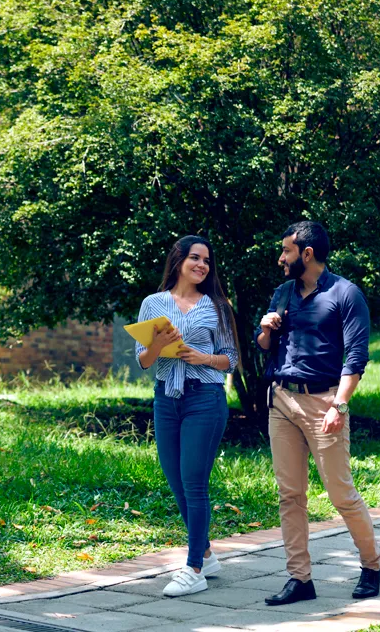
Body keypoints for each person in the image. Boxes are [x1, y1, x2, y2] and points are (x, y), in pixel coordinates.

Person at [257, 221, 380, 606]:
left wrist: (340, 405)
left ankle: (372, 565)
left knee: (340, 492)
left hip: (324, 401)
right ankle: (300, 579)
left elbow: (356, 357)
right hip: (282, 401)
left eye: (287, 252)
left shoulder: (346, 294)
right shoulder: (283, 293)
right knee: (289, 495)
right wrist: (265, 329)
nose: (281, 259)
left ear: (306, 254)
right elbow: (265, 345)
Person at [135, 235, 240, 597]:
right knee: (176, 480)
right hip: (166, 398)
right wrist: (159, 346)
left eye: (207, 261)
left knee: (194, 482)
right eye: (195, 258)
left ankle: (193, 568)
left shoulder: (218, 307)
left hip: (204, 399)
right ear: (178, 260)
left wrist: (203, 358)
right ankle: (207, 553)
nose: (202, 265)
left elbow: (231, 358)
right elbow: (144, 361)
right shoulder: (153, 303)